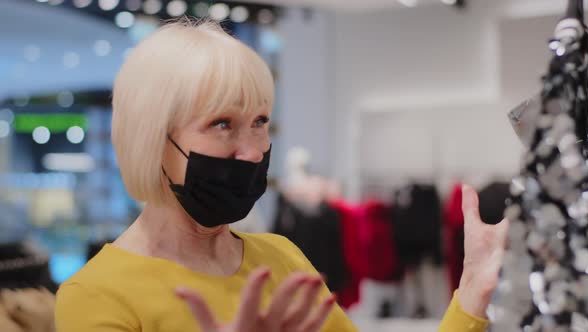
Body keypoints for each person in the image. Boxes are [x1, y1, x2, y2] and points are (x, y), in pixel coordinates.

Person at [54, 19, 509, 332]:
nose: (253, 151)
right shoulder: (97, 295)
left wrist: (470, 293)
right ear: (152, 138)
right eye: (222, 124)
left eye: (260, 122)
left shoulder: (280, 258)